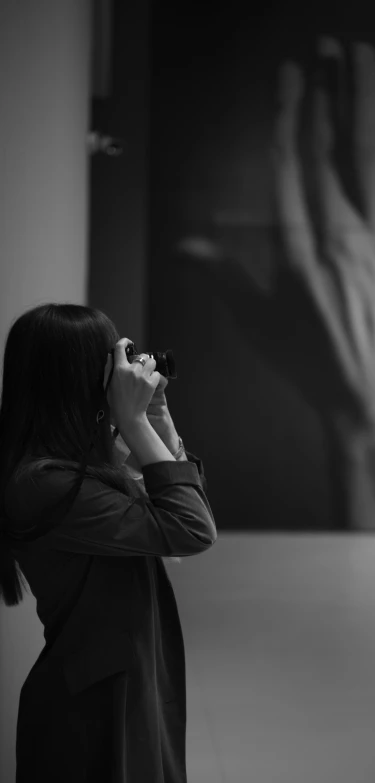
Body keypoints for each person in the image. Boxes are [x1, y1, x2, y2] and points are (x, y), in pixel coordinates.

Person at [0, 302, 217, 783]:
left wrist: (157, 418)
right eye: (109, 363)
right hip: (92, 708)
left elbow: (173, 537)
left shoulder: (81, 466)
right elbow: (190, 529)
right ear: (80, 378)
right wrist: (133, 422)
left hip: (127, 681)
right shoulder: (42, 483)